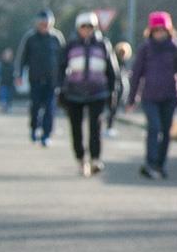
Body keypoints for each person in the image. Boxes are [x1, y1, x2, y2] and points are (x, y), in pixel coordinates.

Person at [60, 12, 120, 176]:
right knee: (76, 128)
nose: (87, 30)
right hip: (74, 93)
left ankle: (95, 158)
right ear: (78, 28)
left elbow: (112, 70)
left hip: (97, 92)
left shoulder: (103, 45)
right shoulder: (71, 45)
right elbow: (61, 68)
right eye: (83, 27)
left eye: (90, 27)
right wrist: (61, 89)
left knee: (95, 127)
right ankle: (81, 158)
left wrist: (113, 91)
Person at [129, 11, 177, 180]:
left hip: (170, 96)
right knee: (154, 127)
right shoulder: (145, 49)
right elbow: (136, 74)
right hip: (150, 96)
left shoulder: (175, 48)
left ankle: (161, 163)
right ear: (151, 31)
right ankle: (150, 163)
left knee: (166, 131)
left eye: (162, 30)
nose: (159, 33)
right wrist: (131, 98)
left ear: (169, 30)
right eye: (156, 30)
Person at [16, 10, 66, 146]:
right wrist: (18, 74)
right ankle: (34, 129)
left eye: (46, 23)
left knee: (50, 108)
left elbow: (63, 60)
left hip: (52, 80)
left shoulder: (56, 38)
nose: (44, 26)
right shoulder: (30, 38)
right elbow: (21, 57)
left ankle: (46, 134)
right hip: (35, 79)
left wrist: (63, 78)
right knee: (35, 106)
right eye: (42, 23)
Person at [107, 40, 132, 133]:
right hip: (114, 87)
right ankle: (108, 127)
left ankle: (109, 126)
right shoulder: (114, 60)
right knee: (112, 108)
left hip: (119, 88)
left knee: (114, 108)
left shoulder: (124, 61)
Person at [0, 47, 17, 113]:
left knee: (9, 96)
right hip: (3, 83)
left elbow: (15, 74)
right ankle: (4, 106)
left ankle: (9, 106)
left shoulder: (13, 65)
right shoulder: (1, 64)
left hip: (11, 83)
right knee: (3, 95)